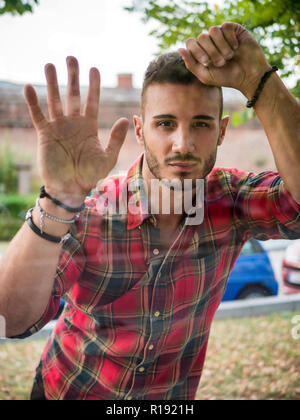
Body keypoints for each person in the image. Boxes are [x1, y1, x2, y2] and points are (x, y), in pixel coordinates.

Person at [0, 22, 300, 400]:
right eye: (165, 123)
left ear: (222, 132)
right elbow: (9, 319)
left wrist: (260, 79)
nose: (183, 144)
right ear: (140, 131)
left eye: (201, 124)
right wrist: (57, 197)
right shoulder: (90, 212)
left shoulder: (232, 199)